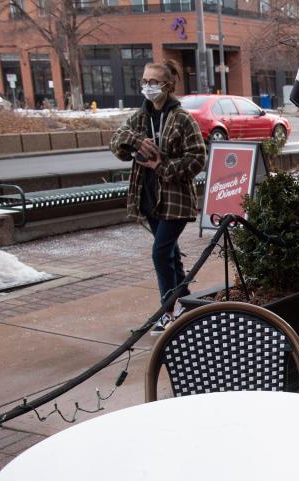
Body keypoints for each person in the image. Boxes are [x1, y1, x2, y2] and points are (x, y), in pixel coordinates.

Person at [111, 59, 206, 335]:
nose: (148, 87)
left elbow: (198, 158)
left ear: (168, 85)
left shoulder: (182, 118)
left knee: (161, 252)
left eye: (153, 82)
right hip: (149, 195)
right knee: (171, 253)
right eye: (144, 81)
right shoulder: (139, 117)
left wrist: (163, 166)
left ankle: (168, 310)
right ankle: (185, 301)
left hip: (176, 198)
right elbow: (116, 143)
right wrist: (137, 142)